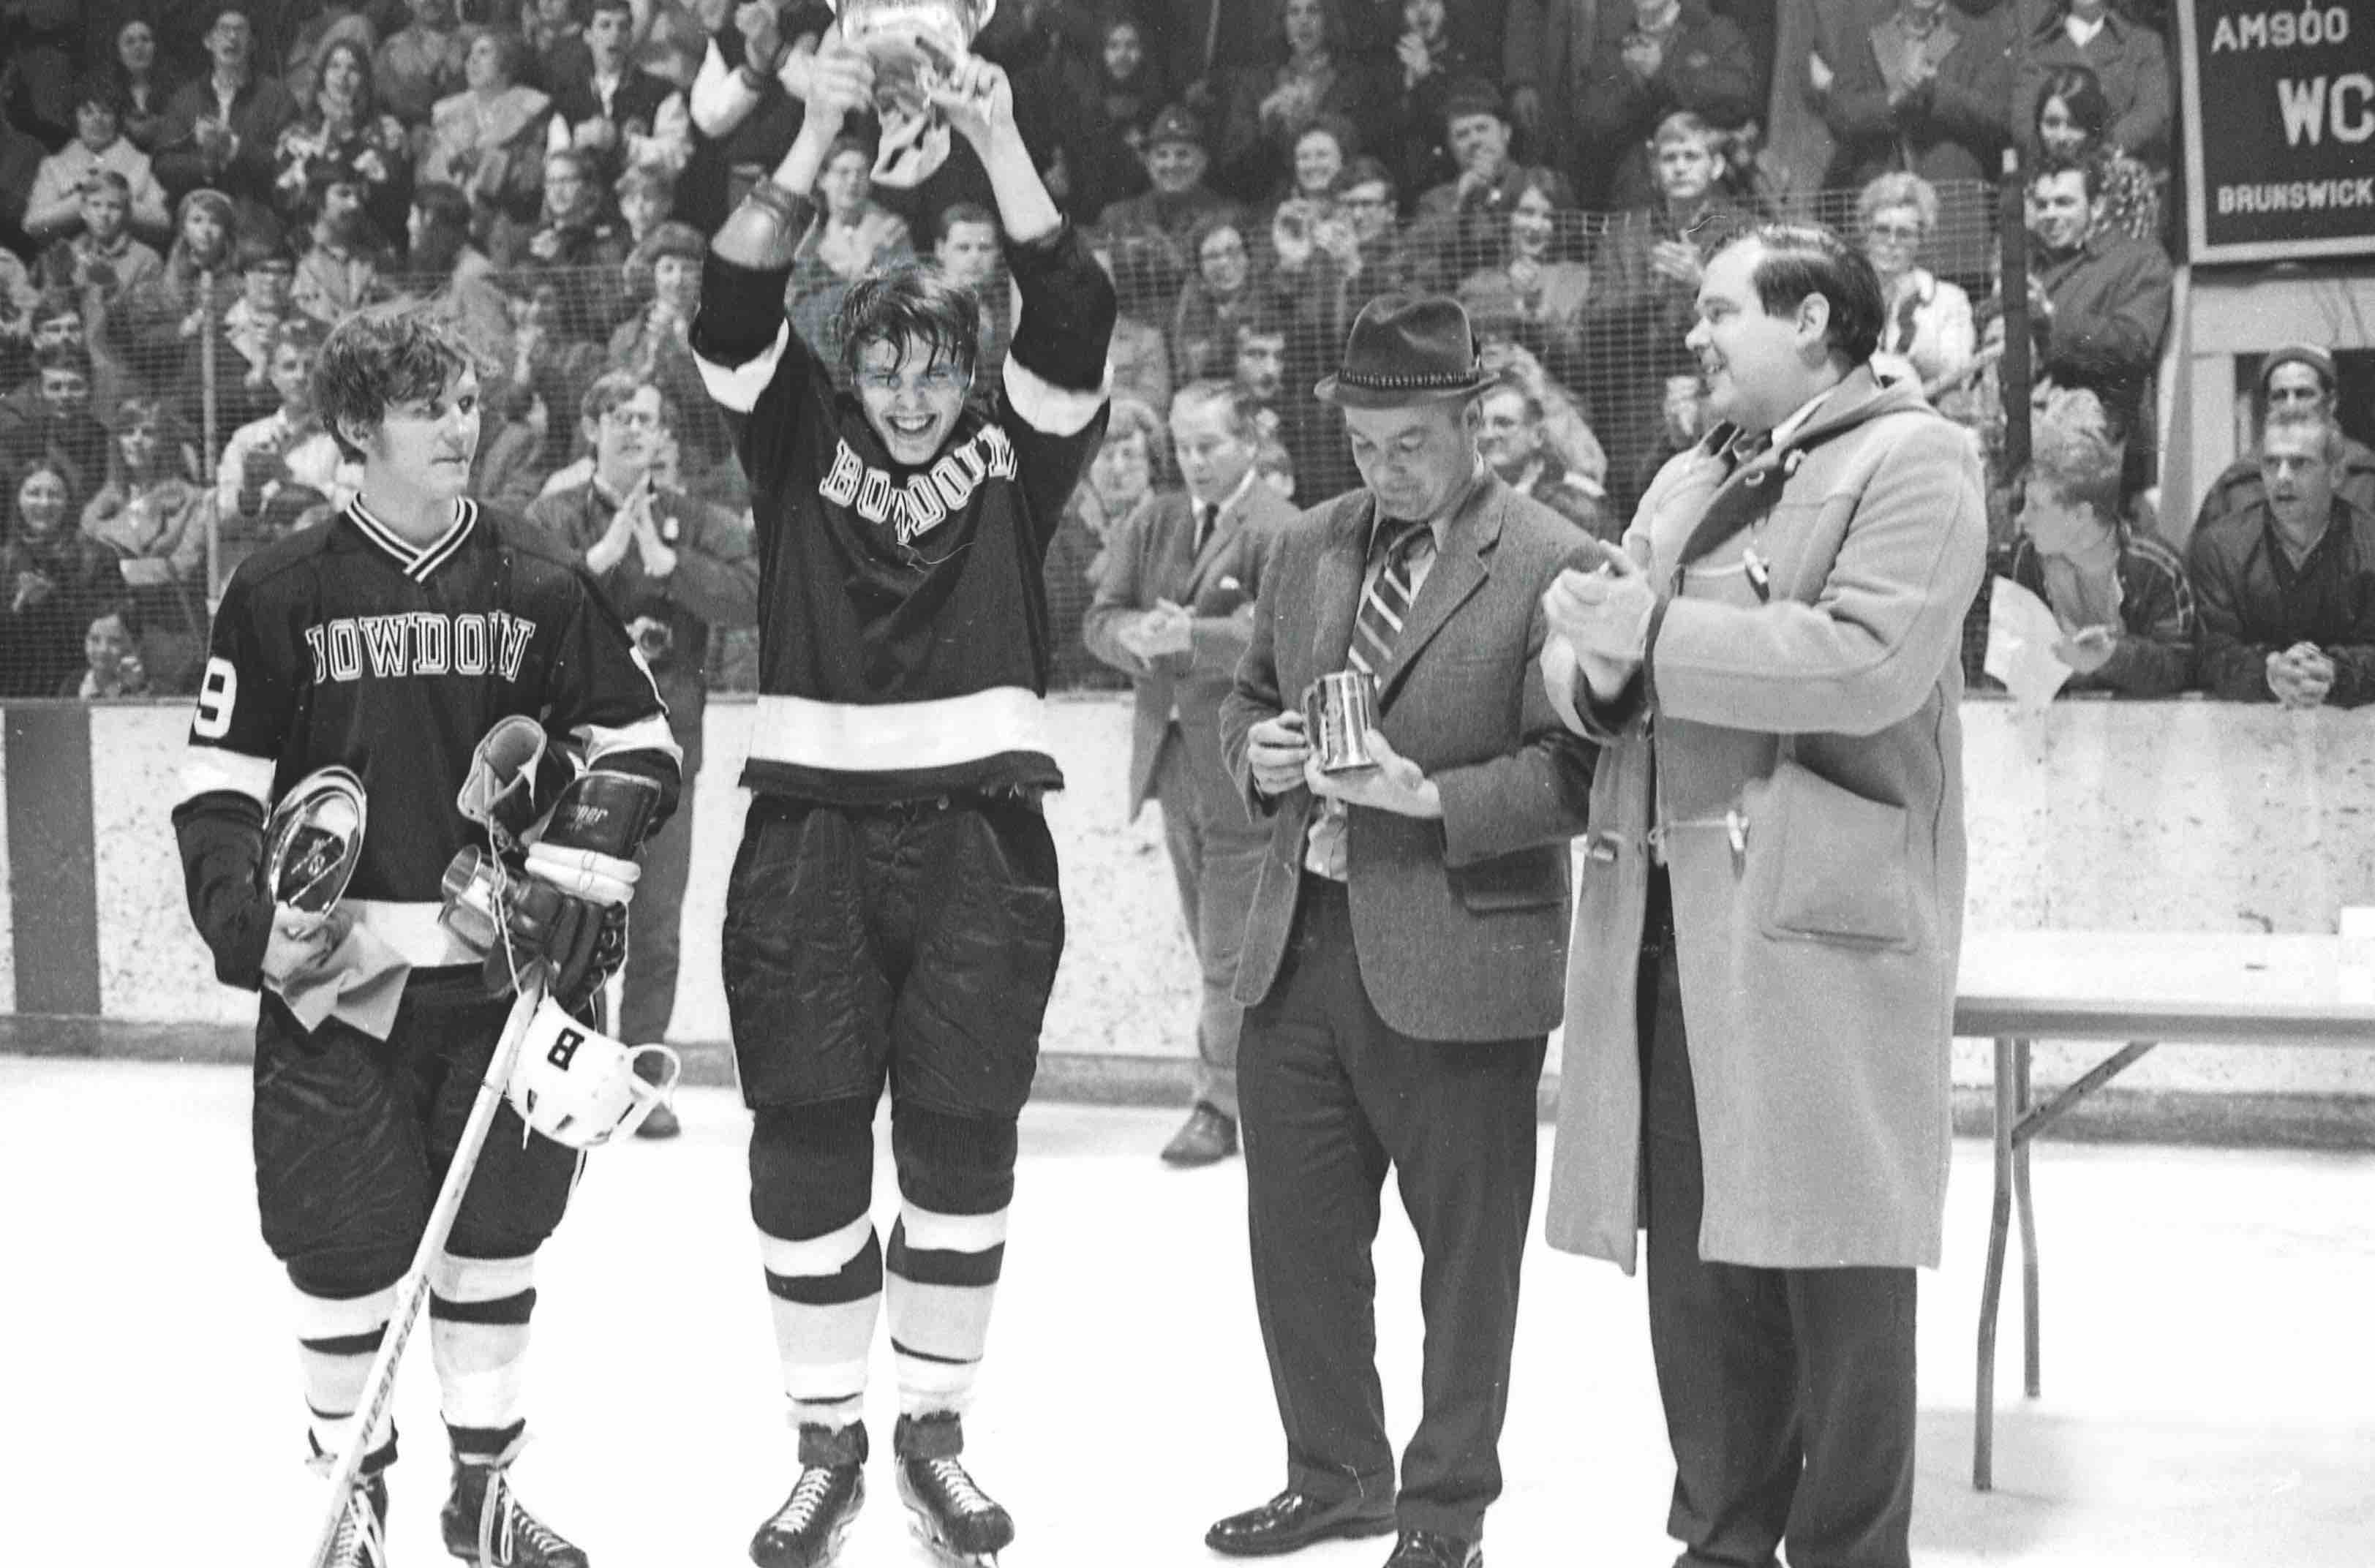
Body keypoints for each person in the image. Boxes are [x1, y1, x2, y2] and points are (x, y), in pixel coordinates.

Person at [690, 37, 1114, 1568]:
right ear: (850, 369)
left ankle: (936, 1436)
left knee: (959, 1145)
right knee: (803, 1144)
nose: (916, 391)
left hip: (981, 844)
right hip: (806, 837)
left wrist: (998, 138)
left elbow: (1074, 309)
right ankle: (825, 1447)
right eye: (886, 364)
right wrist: (813, 131)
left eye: (939, 366)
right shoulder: (793, 436)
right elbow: (731, 300)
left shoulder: (1024, 449)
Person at [170, 302, 682, 1567]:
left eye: (466, 399)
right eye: (428, 404)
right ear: (357, 427)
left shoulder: (540, 578)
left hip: (498, 986)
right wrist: (247, 927)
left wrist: (576, 867)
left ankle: (484, 1492)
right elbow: (217, 787)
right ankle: (354, 1491)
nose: (461, 423)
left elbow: (641, 742)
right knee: (344, 1248)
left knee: (496, 1236)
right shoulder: (281, 588)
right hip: (338, 982)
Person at [1538, 222, 1986, 1568]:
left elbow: (1863, 661)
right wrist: (1603, 667)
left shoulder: (1918, 462)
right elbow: (1588, 665)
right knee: (1700, 1265)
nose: (1693, 334)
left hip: (1814, 924)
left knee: (1836, 1268)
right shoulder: (1686, 474)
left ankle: (1850, 1548)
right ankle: (1725, 1533)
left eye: (1719, 309)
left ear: (1812, 322)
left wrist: (1650, 638)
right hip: (1674, 916)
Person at [1207, 292, 1599, 1568]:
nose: (1384, 471)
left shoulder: (1553, 559)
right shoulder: (1308, 542)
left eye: (1410, 445)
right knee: (1299, 1241)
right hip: (1298, 940)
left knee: (1462, 1261)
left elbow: (1576, 772)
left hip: (1461, 948)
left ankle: (1442, 1512)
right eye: (1365, 446)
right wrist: (1260, 753)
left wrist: (1431, 797)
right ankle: (1332, 1473)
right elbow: (1248, 699)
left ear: (1470, 419)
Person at [527, 370, 757, 1136]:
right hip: (577, 756)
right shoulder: (553, 515)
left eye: (647, 417)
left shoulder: (697, 520)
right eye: (618, 414)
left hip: (669, 760)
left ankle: (641, 1079)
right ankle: (566, 1074)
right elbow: (522, 600)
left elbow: (752, 594)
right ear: (591, 427)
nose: (634, 429)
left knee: (656, 927)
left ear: (664, 435)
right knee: (571, 922)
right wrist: (598, 559)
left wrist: (668, 563)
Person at [1083, 380, 1291, 1166]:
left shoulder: (1281, 525)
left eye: (1209, 446)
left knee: (1227, 948)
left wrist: (1189, 637)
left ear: (1248, 443)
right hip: (1171, 760)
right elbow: (1099, 618)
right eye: (1183, 446)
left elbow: (1279, 635)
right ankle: (1240, 1090)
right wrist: (1135, 635)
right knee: (1211, 932)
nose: (1192, 461)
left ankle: (1218, 1103)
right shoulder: (1153, 518)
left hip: (1245, 765)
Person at [2005, 387, 2194, 697]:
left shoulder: (2158, 568)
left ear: (2080, 515)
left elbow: (2181, 667)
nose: (2022, 520)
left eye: (2036, 507)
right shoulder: (2029, 556)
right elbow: (2015, 663)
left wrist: (2112, 657)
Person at [2189, 411, 2375, 708]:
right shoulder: (2220, 548)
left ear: (2336, 474)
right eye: (2272, 463)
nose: (2283, 477)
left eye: (2299, 463)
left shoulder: (2370, 546)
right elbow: (2207, 652)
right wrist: (2267, 672)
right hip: (2249, 730)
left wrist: (2339, 673)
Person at [2193, 344, 2375, 532]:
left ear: (2331, 402)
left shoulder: (2366, 480)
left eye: (2303, 394)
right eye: (2279, 396)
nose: (2291, 406)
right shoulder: (2237, 485)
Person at [150, 5, 299, 230]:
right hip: (197, 222)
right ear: (208, 41)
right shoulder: (185, 99)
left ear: (252, 43)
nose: (232, 37)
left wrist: (234, 149)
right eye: (224, 30)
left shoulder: (278, 98)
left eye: (240, 31)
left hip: (256, 223)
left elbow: (288, 165)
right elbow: (163, 165)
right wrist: (206, 165)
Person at [1, 460, 121, 698]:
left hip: (75, 685)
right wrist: (16, 606)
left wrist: (54, 599)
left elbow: (112, 625)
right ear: (18, 500)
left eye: (54, 495)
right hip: (13, 687)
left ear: (69, 501)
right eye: (34, 494)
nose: (44, 503)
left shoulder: (98, 557)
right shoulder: (4, 562)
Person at [545, 0, 694, 186]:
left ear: (631, 36)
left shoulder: (660, 92)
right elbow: (552, 163)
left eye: (623, 27)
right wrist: (575, 144)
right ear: (588, 35)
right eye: (605, 25)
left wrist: (625, 144)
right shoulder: (569, 95)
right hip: (584, 209)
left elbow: (679, 155)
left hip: (640, 208)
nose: (615, 34)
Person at [1859, 170, 1974, 391]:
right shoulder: (1843, 291)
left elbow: (1959, 372)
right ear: (1866, 231)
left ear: (1922, 239)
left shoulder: (1949, 299)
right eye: (1882, 230)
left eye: (1904, 233)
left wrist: (1906, 319)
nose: (1891, 242)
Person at [24, 79, 174, 246]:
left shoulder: (140, 163)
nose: (97, 119)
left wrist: (116, 200)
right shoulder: (53, 166)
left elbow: (163, 222)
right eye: (88, 113)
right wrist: (82, 200)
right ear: (76, 119)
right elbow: (32, 224)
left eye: (106, 112)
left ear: (117, 119)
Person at [2030, 62, 2160, 244]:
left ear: (2093, 128)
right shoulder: (2032, 184)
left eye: (2074, 125)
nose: (2061, 137)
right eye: (2052, 123)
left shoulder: (2127, 179)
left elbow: (2141, 253)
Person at [1475, 377, 1606, 539]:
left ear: (1538, 435)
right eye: (1480, 426)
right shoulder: (1463, 501)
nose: (1488, 435)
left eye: (1503, 424)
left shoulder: (1576, 501)